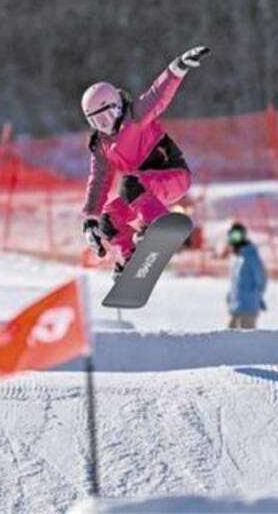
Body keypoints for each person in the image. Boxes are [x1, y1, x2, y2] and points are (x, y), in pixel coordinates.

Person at [81, 46, 210, 278]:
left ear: (117, 107)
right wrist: (90, 220)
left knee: (130, 183)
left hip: (172, 175)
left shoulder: (135, 117)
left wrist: (177, 68)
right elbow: (98, 181)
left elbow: (158, 95)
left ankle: (156, 224)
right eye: (97, 122)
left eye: (106, 117)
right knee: (109, 218)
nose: (104, 126)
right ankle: (128, 260)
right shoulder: (101, 146)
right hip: (145, 191)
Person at [226, 222, 267, 329]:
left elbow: (261, 280)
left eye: (237, 236)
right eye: (232, 236)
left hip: (247, 309)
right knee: (229, 338)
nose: (234, 240)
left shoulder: (250, 256)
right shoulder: (238, 257)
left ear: (243, 236)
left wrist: (255, 298)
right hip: (236, 308)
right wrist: (231, 297)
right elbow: (237, 282)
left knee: (246, 341)